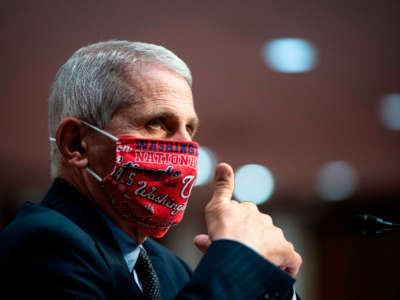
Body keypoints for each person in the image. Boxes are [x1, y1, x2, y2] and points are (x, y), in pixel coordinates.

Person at [0, 40, 302, 299]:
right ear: (77, 143)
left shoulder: (167, 267)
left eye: (191, 129)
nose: (187, 148)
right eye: (158, 123)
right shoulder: (41, 246)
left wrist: (267, 277)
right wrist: (239, 261)